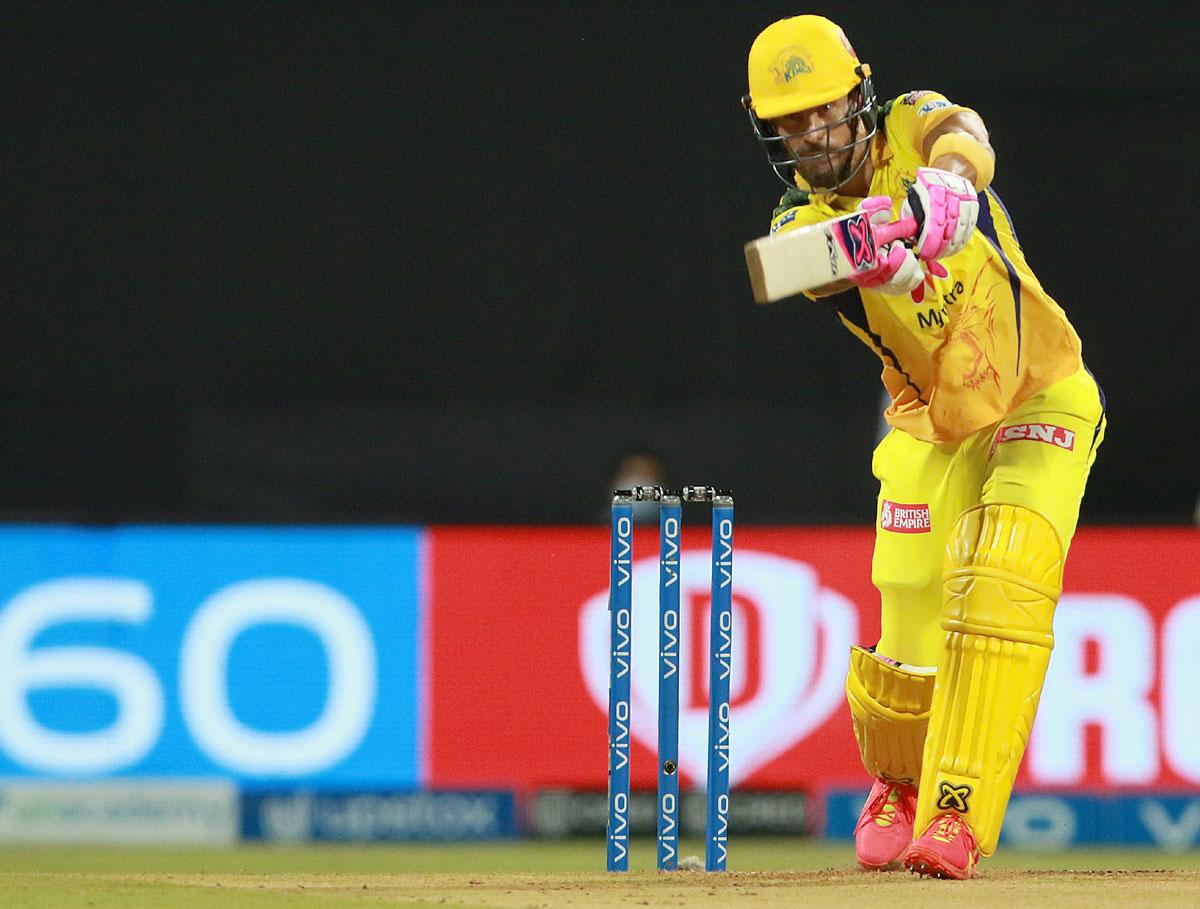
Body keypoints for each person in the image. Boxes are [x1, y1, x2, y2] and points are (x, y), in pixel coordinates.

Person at [742, 15, 1106, 879]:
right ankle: (899, 786)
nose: (808, 135)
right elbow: (790, 265)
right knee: (907, 599)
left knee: (1003, 571)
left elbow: (962, 128)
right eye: (787, 124)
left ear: (858, 99)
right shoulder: (799, 220)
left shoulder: (911, 121)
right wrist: (895, 247)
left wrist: (947, 184)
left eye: (820, 111)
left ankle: (955, 814)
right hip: (931, 418)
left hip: (1040, 390)